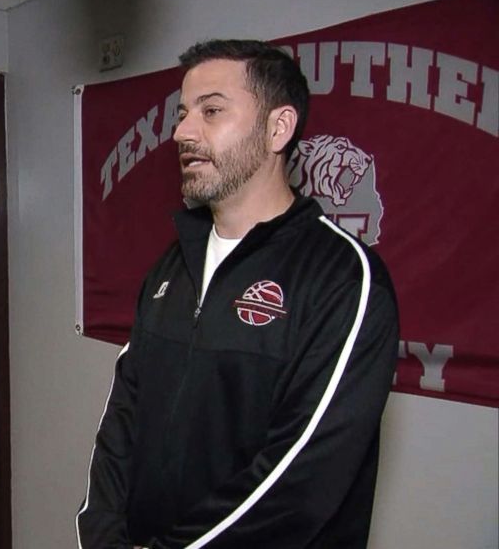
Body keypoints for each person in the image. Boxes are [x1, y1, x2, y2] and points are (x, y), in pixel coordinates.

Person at [76, 40, 399, 548]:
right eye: (183, 114)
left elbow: (298, 483)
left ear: (278, 128)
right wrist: (100, 538)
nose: (182, 132)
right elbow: (123, 419)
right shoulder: (172, 266)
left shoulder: (342, 277)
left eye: (212, 111)